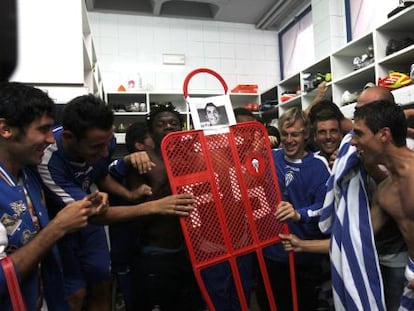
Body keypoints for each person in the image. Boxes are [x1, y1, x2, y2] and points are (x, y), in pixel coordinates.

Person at [37, 95, 195, 311]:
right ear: (70, 137)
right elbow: (90, 214)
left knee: (103, 283)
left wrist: (128, 194)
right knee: (75, 295)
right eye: (96, 146)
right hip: (64, 226)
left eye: (107, 144)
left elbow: (100, 173)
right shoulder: (48, 160)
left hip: (94, 225)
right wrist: (155, 206)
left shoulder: (105, 139)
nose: (105, 151)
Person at [0, 81, 106, 310]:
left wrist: (89, 203)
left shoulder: (29, 174)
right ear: (6, 129)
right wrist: (58, 227)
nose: (50, 139)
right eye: (43, 129)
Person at [124, 104, 204, 311]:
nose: (168, 126)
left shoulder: (191, 158)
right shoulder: (143, 159)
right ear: (151, 131)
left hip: (191, 250)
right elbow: (136, 203)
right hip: (158, 251)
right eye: (161, 124)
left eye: (174, 123)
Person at [257, 107, 331, 311]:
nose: (288, 140)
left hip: (303, 257)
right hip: (271, 254)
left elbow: (325, 207)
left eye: (295, 135)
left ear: (306, 134)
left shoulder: (318, 165)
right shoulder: (271, 157)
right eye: (284, 134)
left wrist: (299, 214)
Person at [352, 100, 414, 310]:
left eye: (359, 134)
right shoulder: (385, 190)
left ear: (384, 135)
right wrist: (304, 245)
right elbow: (360, 238)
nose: (353, 142)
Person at [107, 122, 154, 311]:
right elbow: (109, 171)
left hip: (148, 251)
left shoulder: (161, 167)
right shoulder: (123, 168)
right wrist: (128, 160)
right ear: (139, 145)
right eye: (153, 136)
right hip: (124, 249)